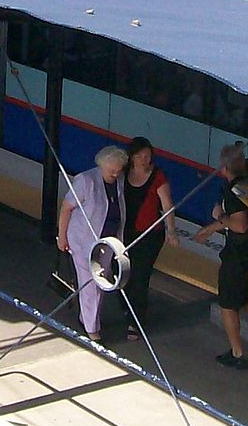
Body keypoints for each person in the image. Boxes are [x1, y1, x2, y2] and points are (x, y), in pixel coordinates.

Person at [196, 143, 248, 370]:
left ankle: (237, 352)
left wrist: (220, 216)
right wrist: (212, 228)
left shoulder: (232, 192)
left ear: (223, 168)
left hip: (239, 255)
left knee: (228, 303)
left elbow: (239, 225)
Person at [58, 145, 129, 345]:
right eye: (112, 170)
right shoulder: (85, 180)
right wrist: (61, 237)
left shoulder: (119, 180)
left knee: (101, 281)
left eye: (118, 169)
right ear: (101, 165)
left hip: (107, 241)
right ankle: (92, 329)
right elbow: (66, 208)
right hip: (83, 241)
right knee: (91, 282)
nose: (115, 173)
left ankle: (89, 318)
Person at [117, 137, 176, 343]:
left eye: (148, 156)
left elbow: (167, 204)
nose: (144, 160)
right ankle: (128, 307)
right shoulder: (122, 173)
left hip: (150, 235)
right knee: (122, 274)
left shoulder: (158, 176)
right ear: (131, 156)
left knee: (140, 276)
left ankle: (136, 321)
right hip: (124, 233)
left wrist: (171, 230)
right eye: (140, 156)